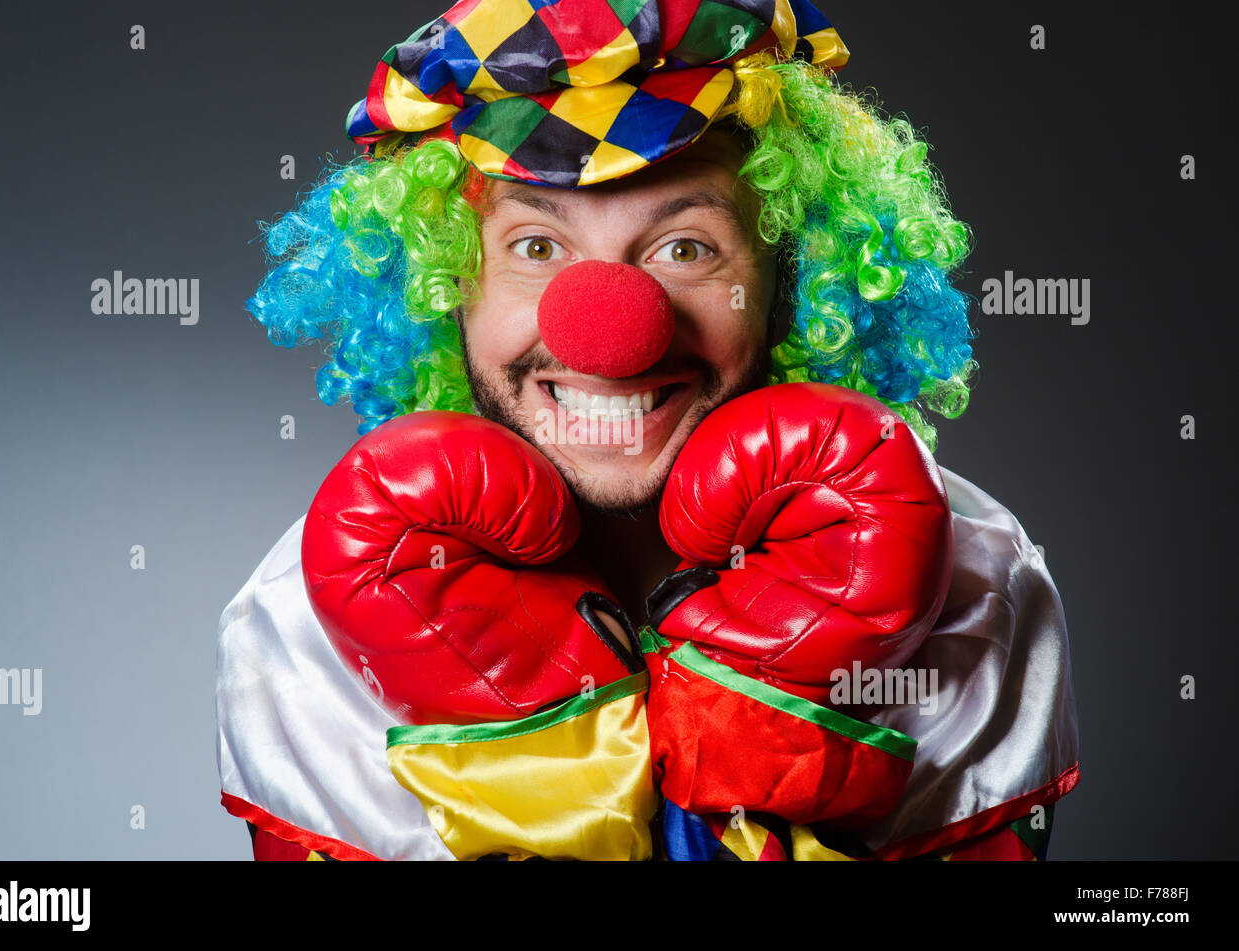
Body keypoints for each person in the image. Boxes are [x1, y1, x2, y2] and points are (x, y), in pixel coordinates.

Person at [217, 0, 1079, 861]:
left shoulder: (973, 593)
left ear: (795, 277)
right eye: (536, 247)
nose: (611, 331)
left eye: (686, 248)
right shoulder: (303, 629)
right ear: (444, 281)